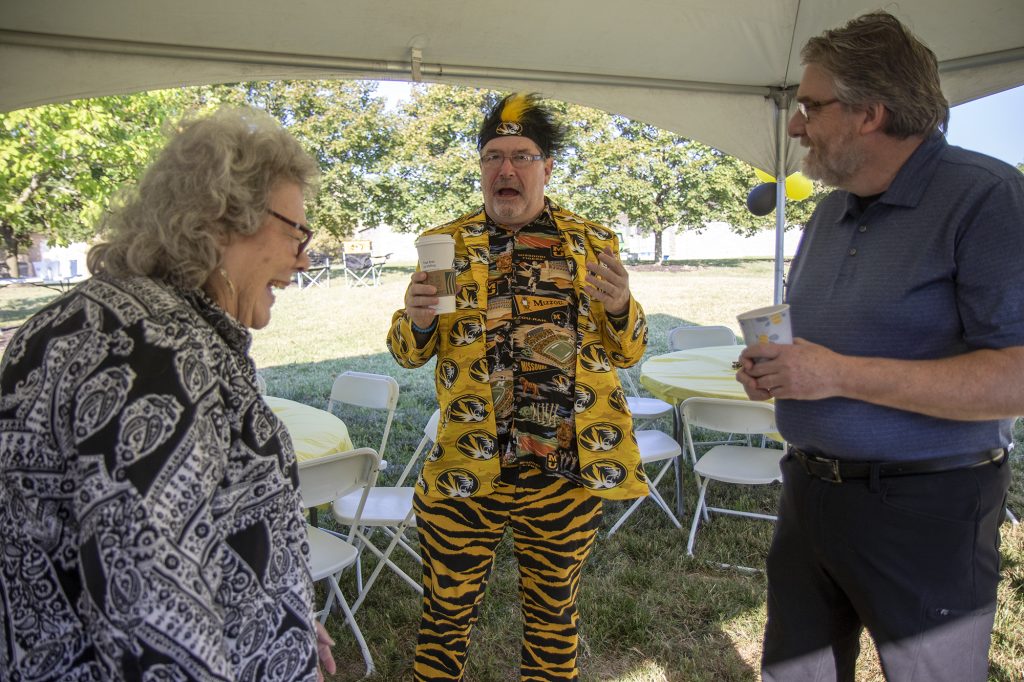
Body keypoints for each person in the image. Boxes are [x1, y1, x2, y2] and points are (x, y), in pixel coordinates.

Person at [0, 106, 338, 681]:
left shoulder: (98, 319)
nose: (303, 258)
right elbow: (155, 627)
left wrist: (283, 605)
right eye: (295, 233)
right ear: (220, 220)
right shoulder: (156, 353)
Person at [735, 12, 1024, 682]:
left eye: (811, 106)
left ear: (870, 113)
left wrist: (837, 375)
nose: (796, 125)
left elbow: (1016, 378)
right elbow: (824, 340)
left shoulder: (987, 198)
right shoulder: (830, 208)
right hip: (808, 491)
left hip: (927, 507)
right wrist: (777, 369)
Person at [387, 92, 650, 680]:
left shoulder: (591, 242)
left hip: (562, 472)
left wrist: (621, 307)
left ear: (546, 168)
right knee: (443, 617)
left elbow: (629, 350)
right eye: (493, 157)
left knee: (554, 618)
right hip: (466, 465)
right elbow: (407, 353)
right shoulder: (445, 245)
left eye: (521, 157)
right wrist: (418, 319)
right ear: (482, 168)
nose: (505, 169)